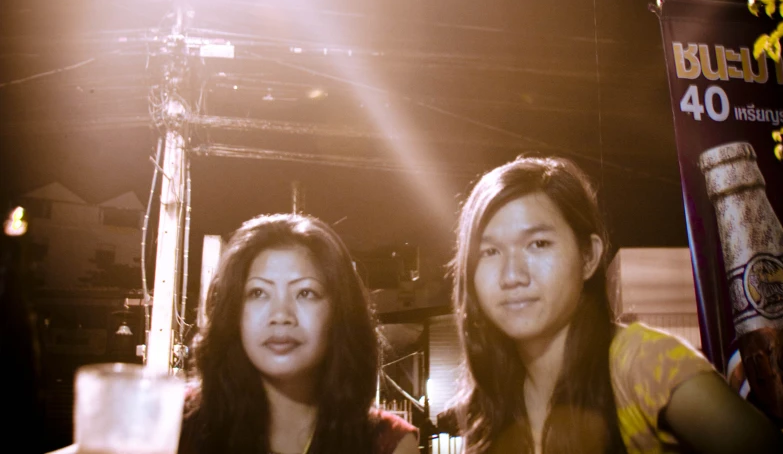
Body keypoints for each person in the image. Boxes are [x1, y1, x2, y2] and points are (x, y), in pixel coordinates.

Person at [451, 155, 783, 454]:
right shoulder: (487, 402)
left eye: (538, 244)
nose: (512, 275)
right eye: (489, 251)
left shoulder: (643, 362)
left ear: (588, 257)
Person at [179, 213, 418, 454]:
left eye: (305, 293)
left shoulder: (388, 444)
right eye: (259, 293)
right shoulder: (176, 423)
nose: (281, 315)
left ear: (338, 312)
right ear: (234, 312)